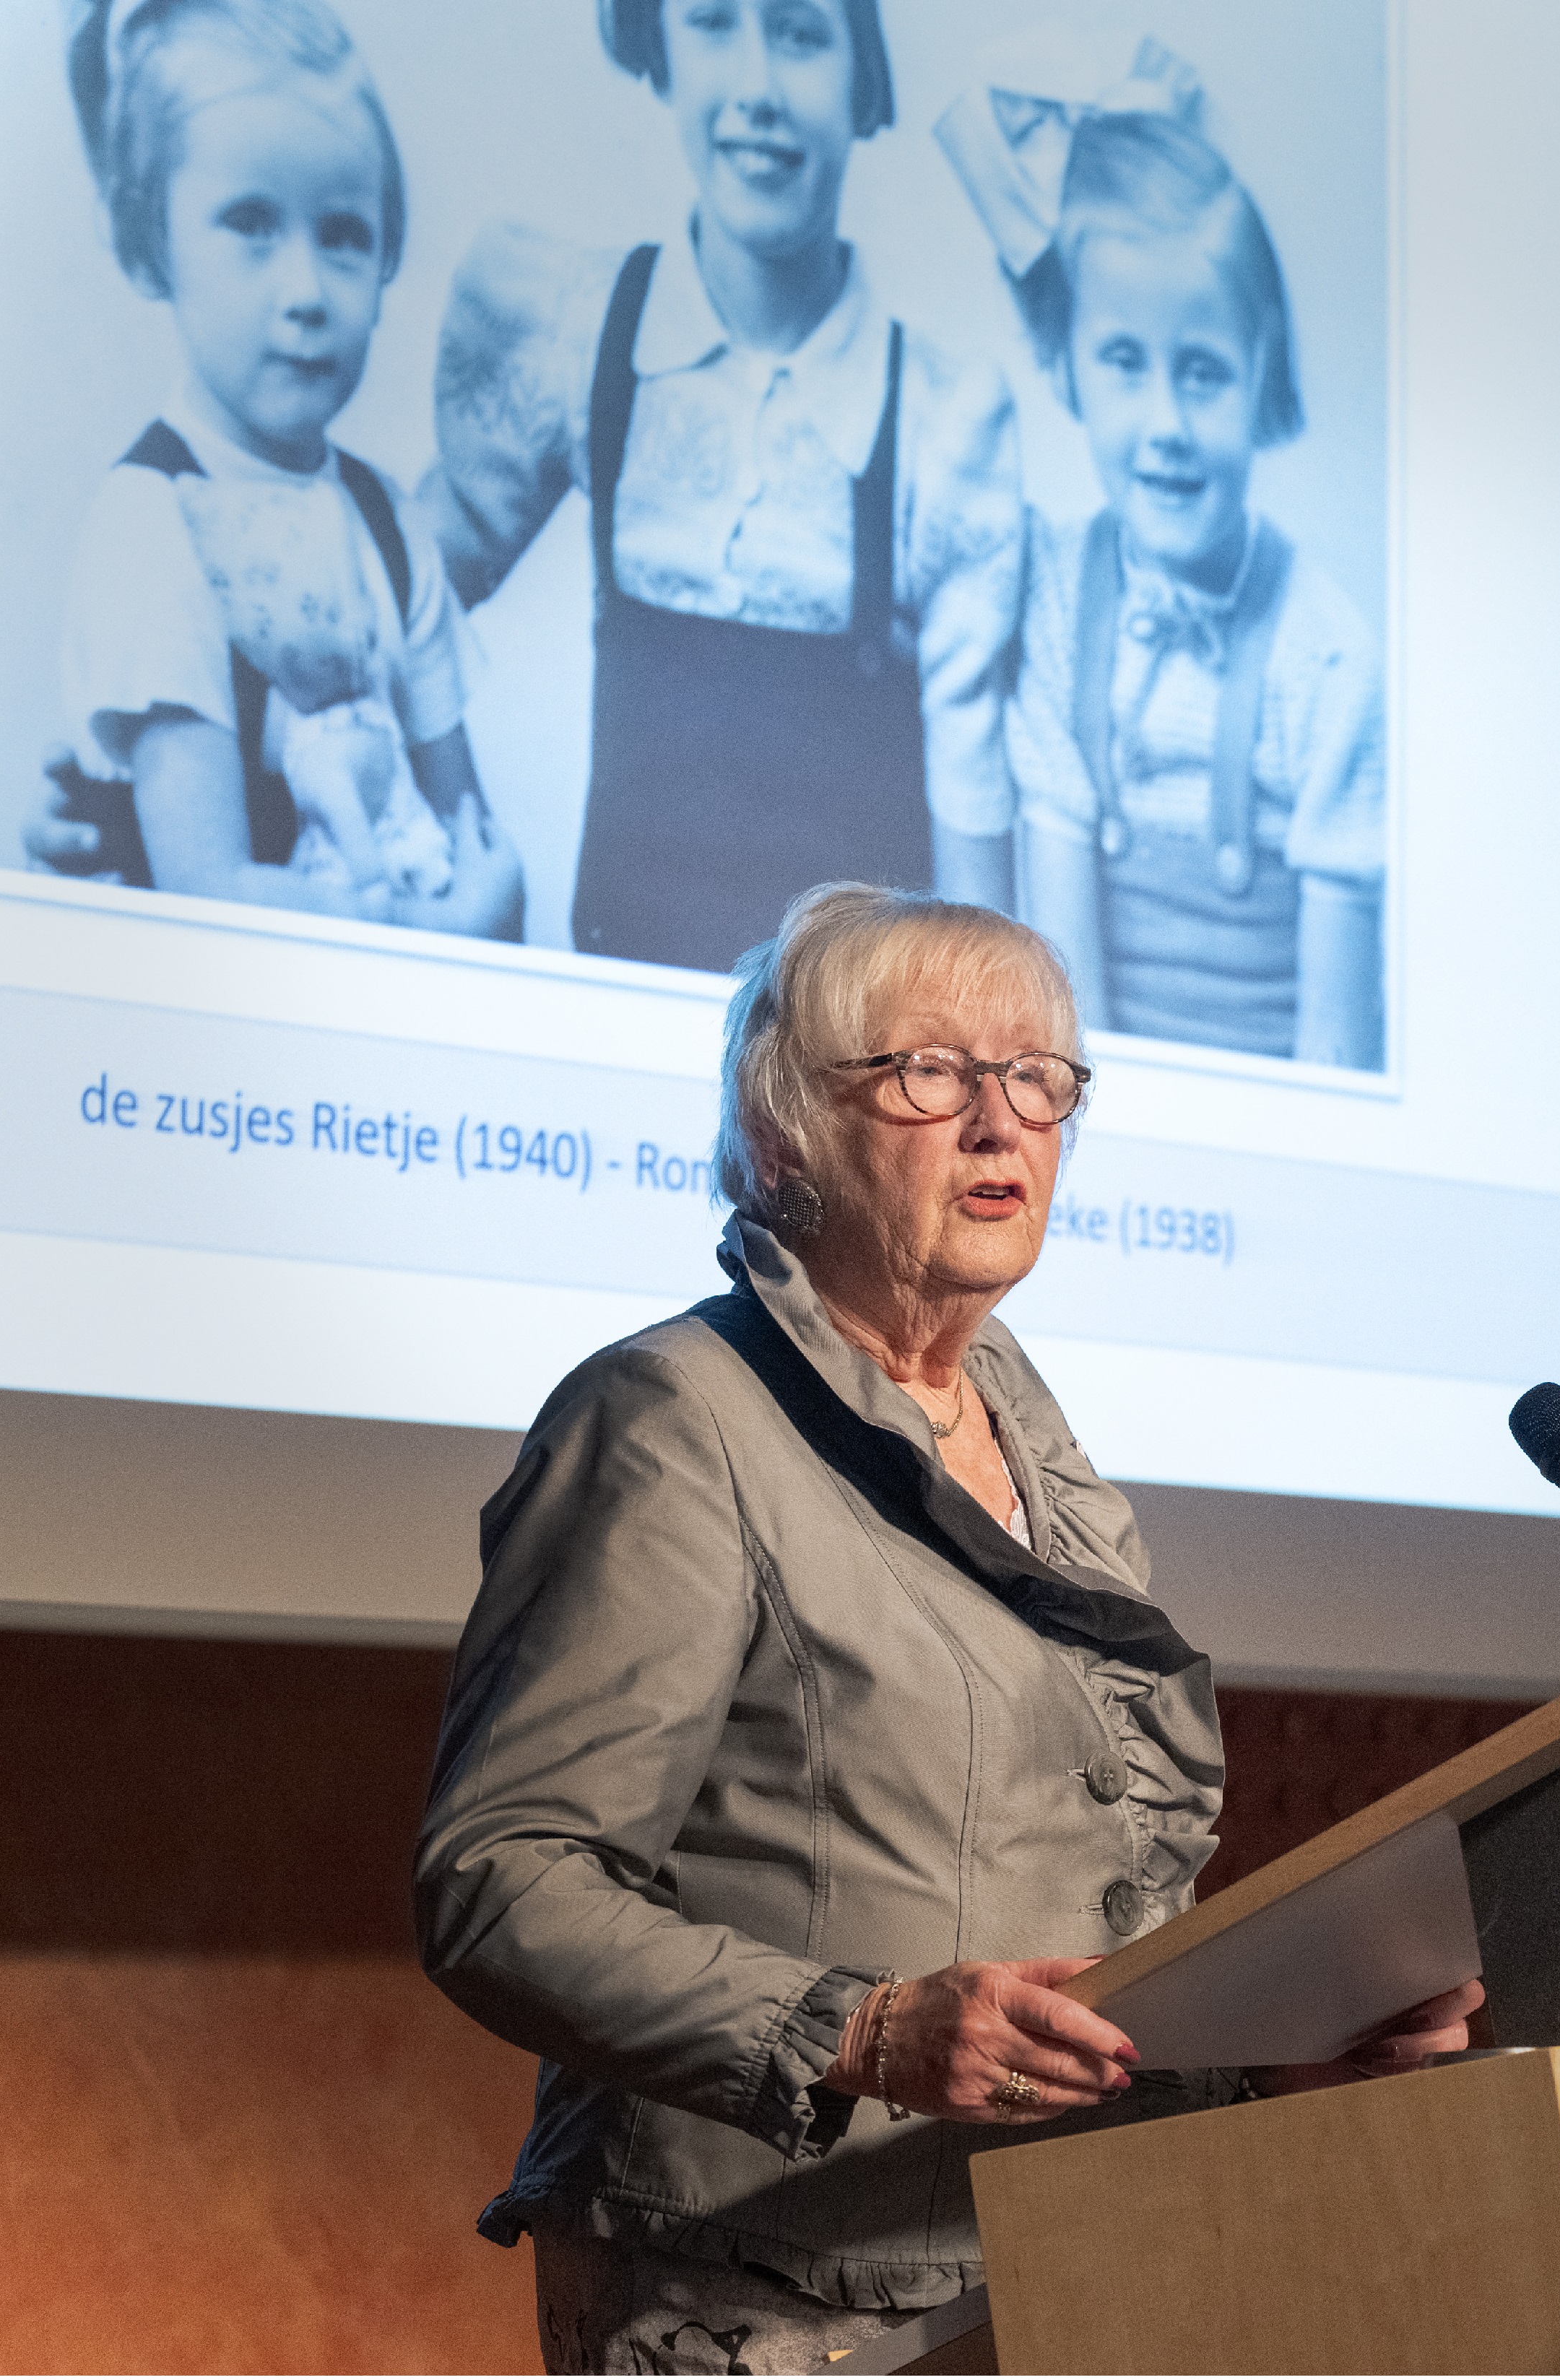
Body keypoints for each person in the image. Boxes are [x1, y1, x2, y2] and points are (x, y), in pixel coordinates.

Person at [415, 882, 1477, 2374]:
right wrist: (860, 2032)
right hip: (775, 2295)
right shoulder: (674, 1423)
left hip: (1076, 2263)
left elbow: (1072, 1921)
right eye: (927, 1072)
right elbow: (502, 1884)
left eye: (1037, 1078)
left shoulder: (1050, 1462)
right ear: (783, 1135)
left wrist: (1268, 2043)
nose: (998, 1121)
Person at [420, 0, 1021, 969]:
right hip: (621, 1035)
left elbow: (974, 915)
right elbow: (389, 605)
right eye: (711, 22)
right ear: (658, 49)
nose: (757, 90)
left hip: (837, 1090)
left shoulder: (943, 425)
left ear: (864, 73)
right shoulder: (583, 335)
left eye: (800, 32)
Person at [943, 41, 1386, 1067]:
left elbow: (1336, 1044)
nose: (1166, 424)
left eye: (1202, 372)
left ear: (1260, 368)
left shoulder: (1326, 656)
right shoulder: (1054, 599)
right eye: (1125, 364)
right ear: (1068, 368)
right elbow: (1059, 1009)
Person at [49, 0, 521, 934]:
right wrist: (439, 938)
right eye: (251, 223)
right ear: (153, 245)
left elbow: (471, 830)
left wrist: (492, 911)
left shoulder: (384, 521)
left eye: (344, 233)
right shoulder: (152, 524)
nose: (305, 292)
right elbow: (211, 900)